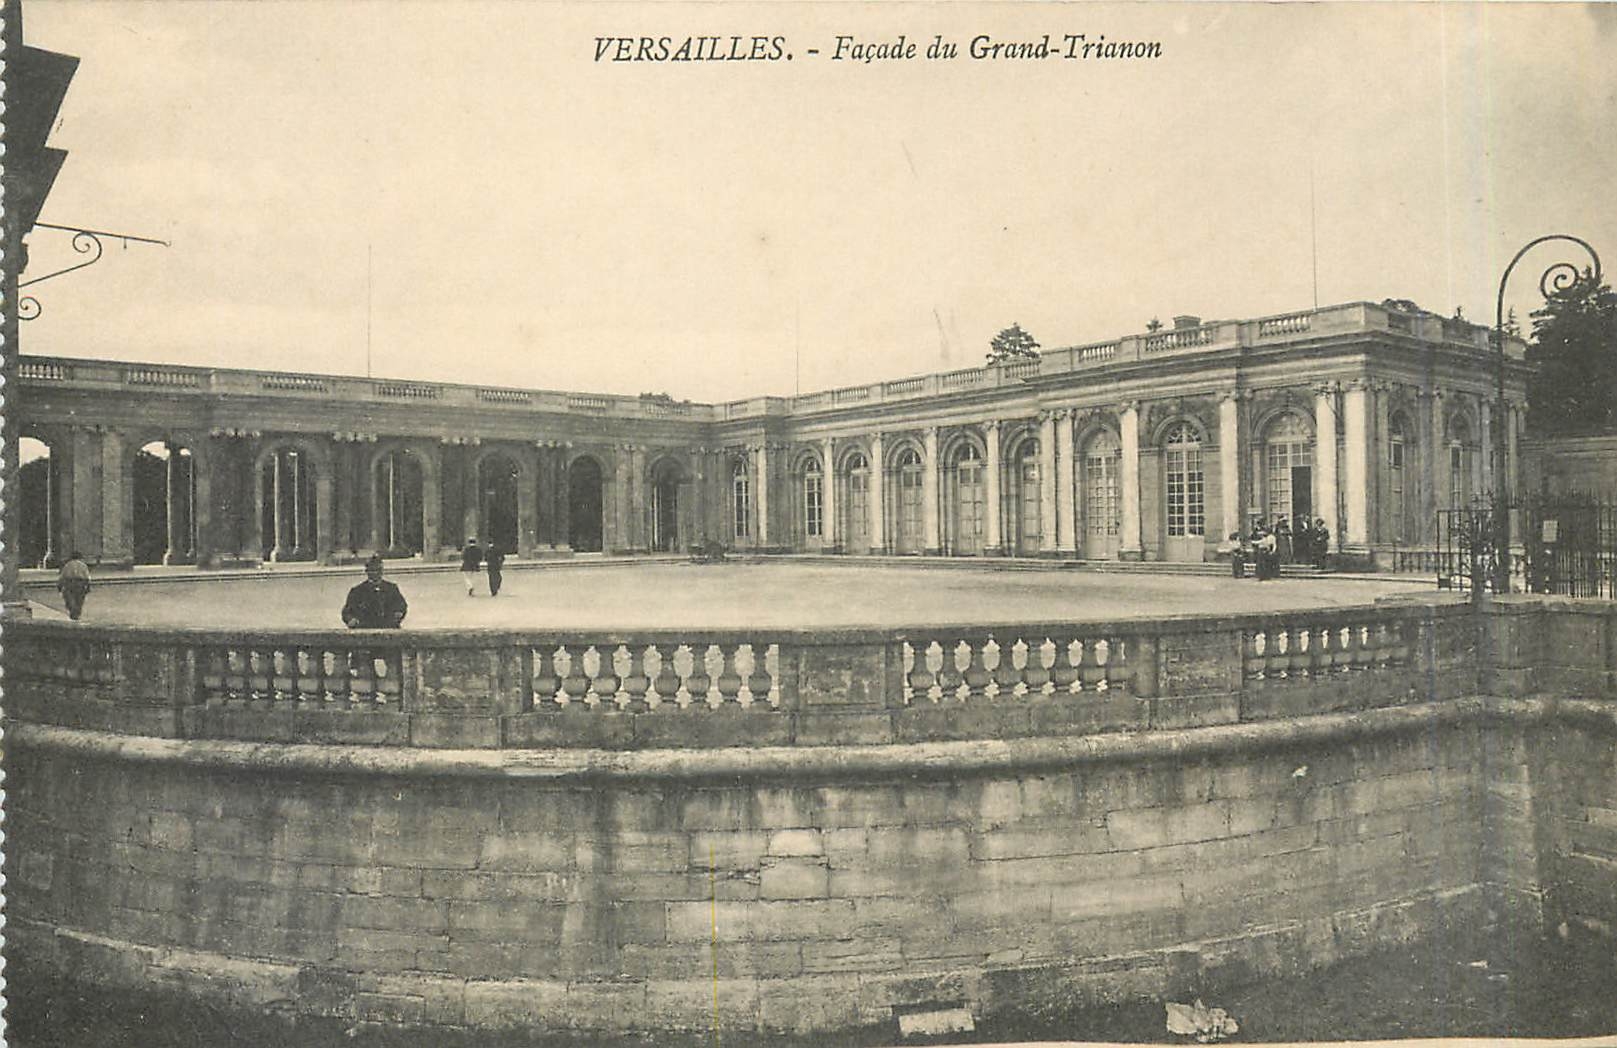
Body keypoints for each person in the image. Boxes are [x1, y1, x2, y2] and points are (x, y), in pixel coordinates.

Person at [341, 555, 408, 628]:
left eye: (378, 570)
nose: (375, 573)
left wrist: (399, 613)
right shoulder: (357, 591)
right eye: (372, 570)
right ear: (366, 571)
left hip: (388, 629)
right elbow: (347, 611)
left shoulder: (391, 589)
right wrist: (350, 620)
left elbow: (401, 605)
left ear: (382, 571)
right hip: (365, 630)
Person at [57, 551, 92, 621]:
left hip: (70, 583)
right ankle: (77, 614)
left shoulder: (67, 565)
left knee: (70, 599)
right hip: (80, 584)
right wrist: (88, 587)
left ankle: (73, 612)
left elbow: (62, 577)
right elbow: (87, 577)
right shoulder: (83, 565)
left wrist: (59, 587)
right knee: (79, 600)